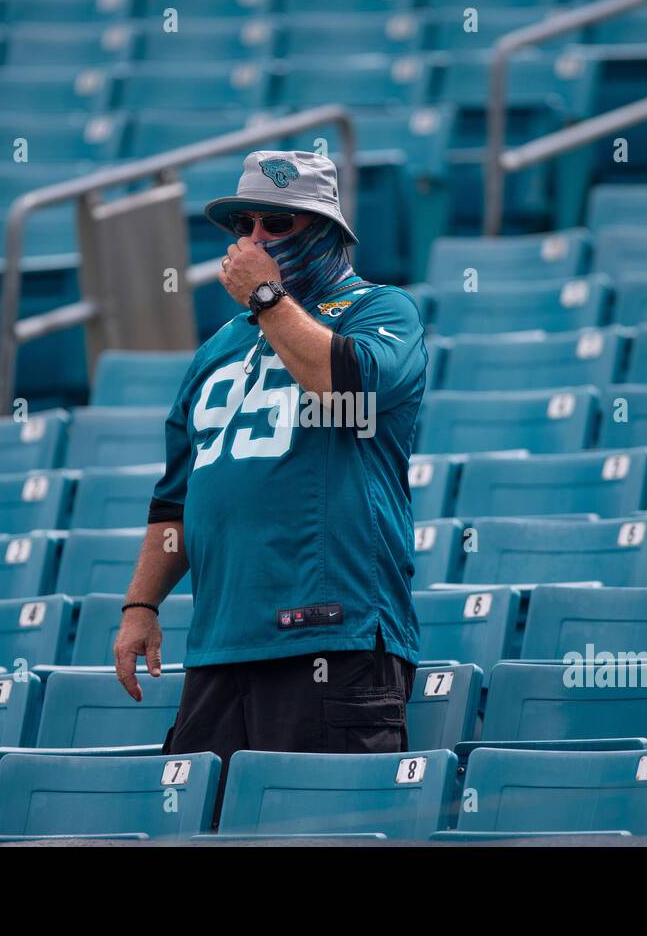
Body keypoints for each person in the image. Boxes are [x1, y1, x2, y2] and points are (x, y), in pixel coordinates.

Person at [112, 149, 428, 790]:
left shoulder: (383, 311)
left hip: (330, 636)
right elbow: (177, 498)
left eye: (276, 224)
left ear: (327, 232)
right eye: (243, 225)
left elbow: (344, 387)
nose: (254, 239)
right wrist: (141, 605)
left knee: (317, 832)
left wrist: (265, 295)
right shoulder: (217, 347)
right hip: (221, 645)